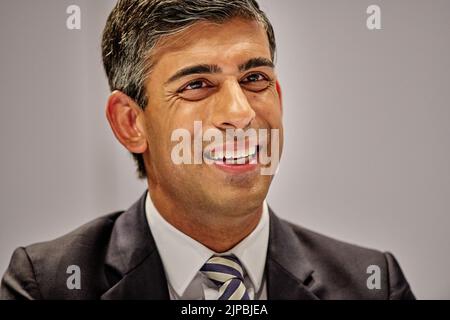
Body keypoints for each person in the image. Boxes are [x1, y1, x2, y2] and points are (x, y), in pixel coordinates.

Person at [0, 0, 415, 300]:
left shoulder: (373, 284)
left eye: (255, 77)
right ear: (130, 123)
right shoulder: (47, 285)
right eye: (197, 84)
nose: (240, 112)